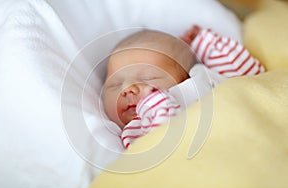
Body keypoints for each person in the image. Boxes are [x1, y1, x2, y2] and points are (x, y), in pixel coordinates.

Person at [102, 25, 265, 148]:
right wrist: (155, 102)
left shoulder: (203, 77)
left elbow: (251, 74)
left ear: (184, 77)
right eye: (115, 85)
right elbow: (165, 147)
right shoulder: (136, 130)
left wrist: (205, 43)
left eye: (147, 78)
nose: (128, 88)